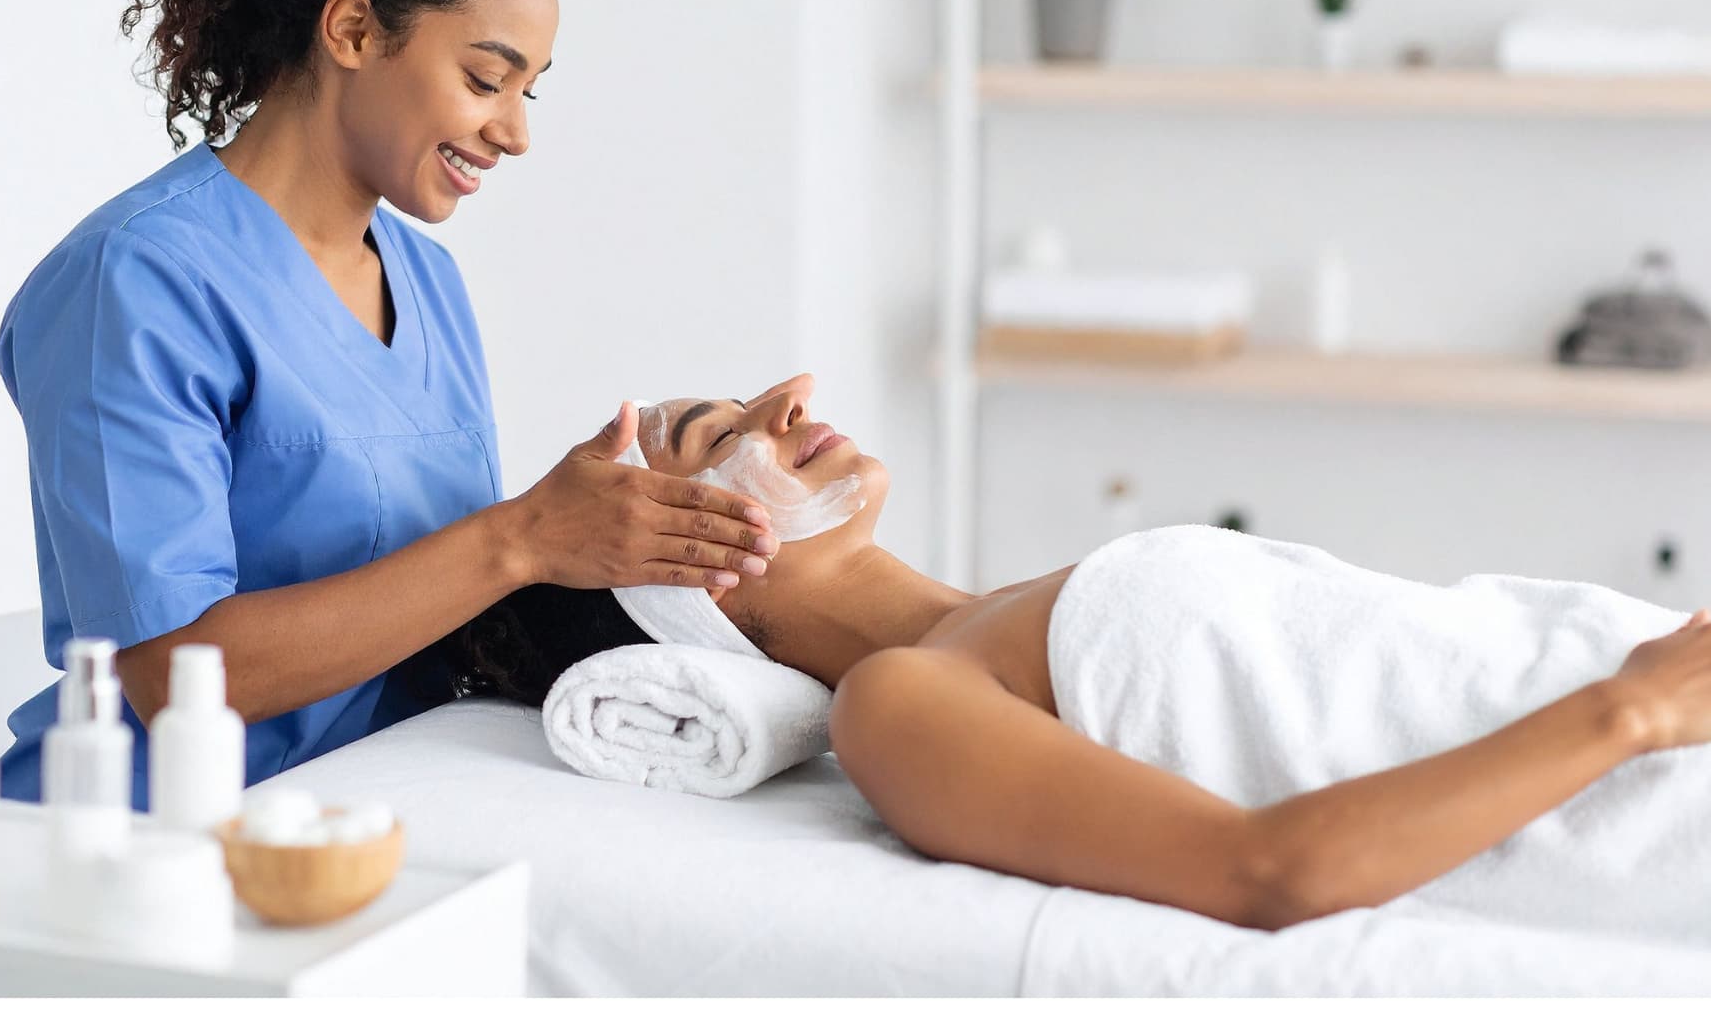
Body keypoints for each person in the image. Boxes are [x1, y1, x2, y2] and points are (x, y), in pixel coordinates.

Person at [0, 0, 778, 810]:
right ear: (355, 31)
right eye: (487, 80)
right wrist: (522, 537)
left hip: (370, 819)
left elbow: (435, 600)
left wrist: (609, 543)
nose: (516, 132)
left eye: (528, 91)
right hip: (147, 846)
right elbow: (167, 675)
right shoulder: (140, 278)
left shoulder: (428, 283)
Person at [445, 372, 1711, 934]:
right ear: (678, 581)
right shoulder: (907, 703)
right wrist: (1634, 716)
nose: (789, 394)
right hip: (1646, 776)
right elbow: (1269, 873)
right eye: (717, 432)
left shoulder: (1011, 605)